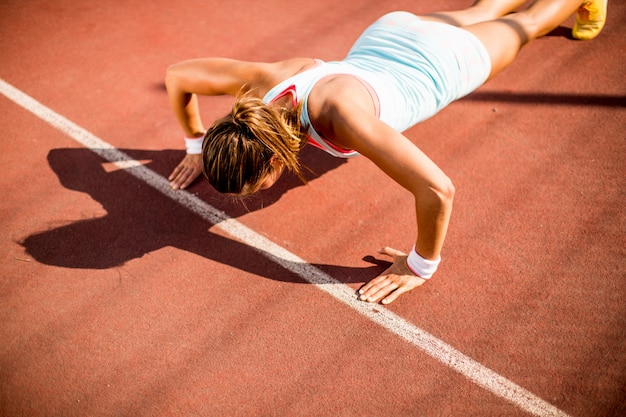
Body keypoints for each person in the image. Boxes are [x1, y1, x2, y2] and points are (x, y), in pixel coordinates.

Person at [165, 0, 607, 304]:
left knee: (526, 25)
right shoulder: (264, 86)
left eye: (257, 183)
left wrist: (419, 266)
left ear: (275, 159)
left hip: (444, 63)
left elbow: (438, 188)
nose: (259, 191)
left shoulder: (339, 117)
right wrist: (196, 144)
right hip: (389, 33)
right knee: (483, 11)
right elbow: (178, 74)